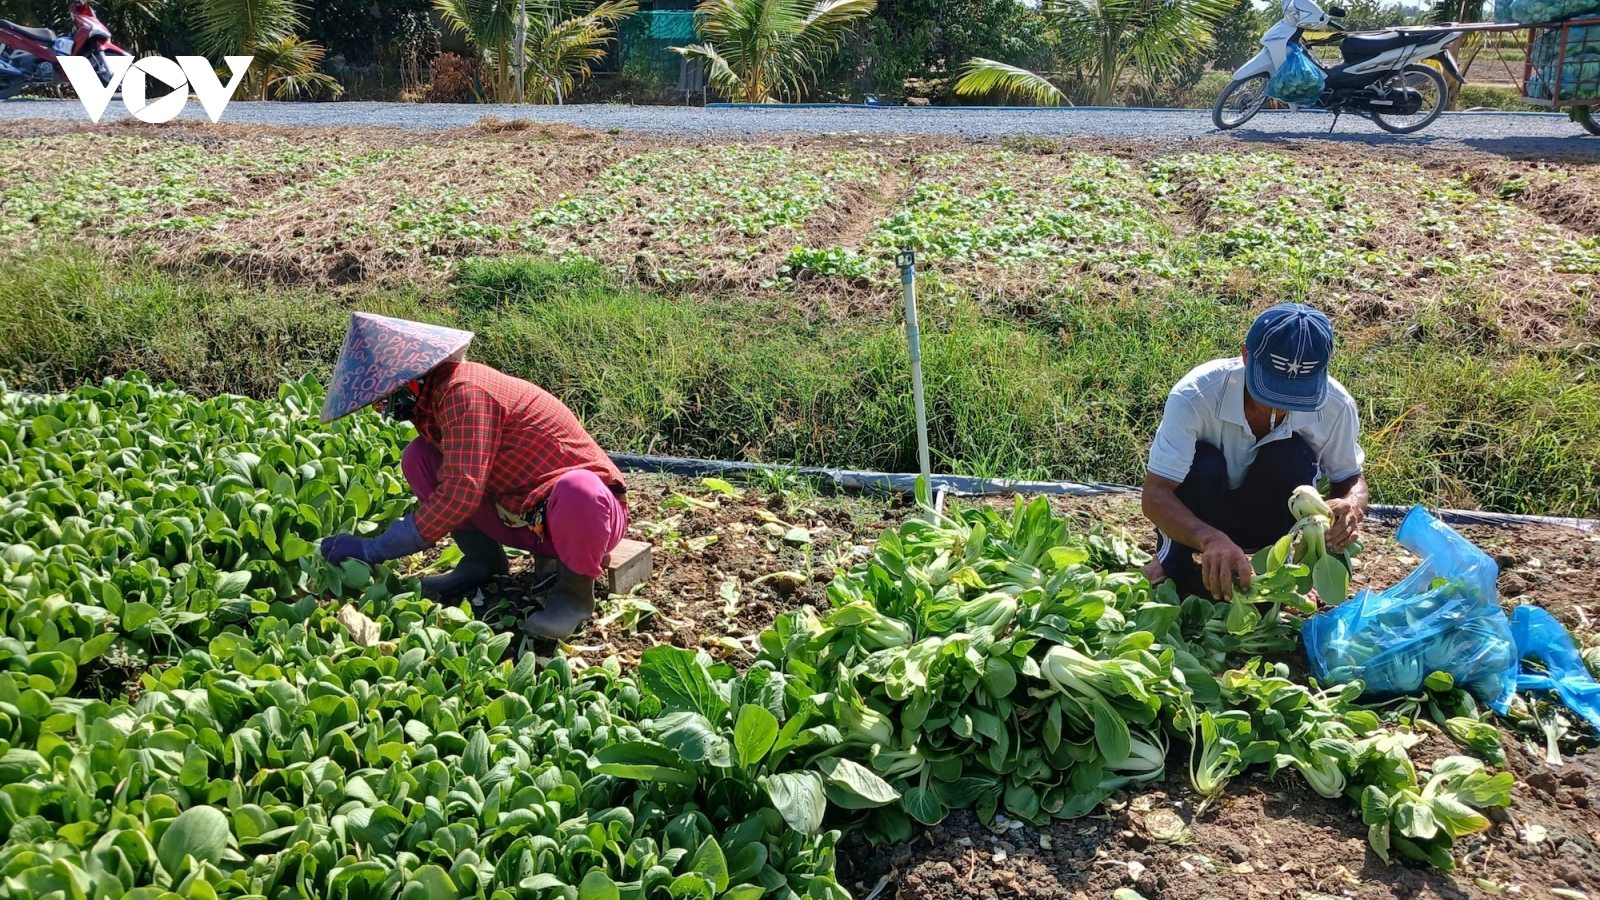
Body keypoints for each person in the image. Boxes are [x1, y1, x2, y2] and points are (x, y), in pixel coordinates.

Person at [316, 312, 628, 639]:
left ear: (411, 381)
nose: (383, 409)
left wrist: (374, 549)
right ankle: (483, 563)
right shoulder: (433, 403)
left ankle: (574, 595)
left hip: (588, 517)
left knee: (578, 489)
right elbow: (459, 481)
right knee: (419, 457)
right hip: (526, 519)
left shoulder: (464, 392)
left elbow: (459, 493)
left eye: (384, 399)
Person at [1141, 303, 1369, 602]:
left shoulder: (1336, 405)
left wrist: (1352, 504)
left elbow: (1351, 477)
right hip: (1200, 516)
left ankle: (1279, 567)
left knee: (1292, 458)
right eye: (1271, 389)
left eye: (1296, 393)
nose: (1280, 405)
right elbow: (1155, 494)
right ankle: (1173, 561)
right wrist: (1209, 538)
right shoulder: (1196, 395)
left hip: (1271, 518)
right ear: (1246, 356)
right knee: (1204, 462)